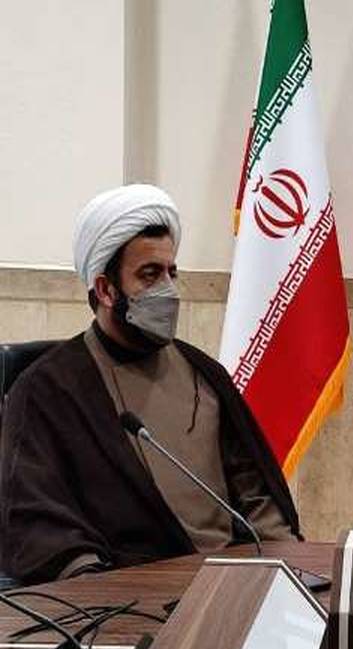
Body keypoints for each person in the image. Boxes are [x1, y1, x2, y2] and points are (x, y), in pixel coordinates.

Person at [0, 184, 299, 584]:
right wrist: (93, 585)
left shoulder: (204, 373)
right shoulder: (46, 390)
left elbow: (257, 498)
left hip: (229, 586)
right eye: (150, 275)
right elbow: (35, 520)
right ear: (105, 289)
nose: (168, 291)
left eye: (171, 273)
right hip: (128, 594)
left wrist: (287, 568)